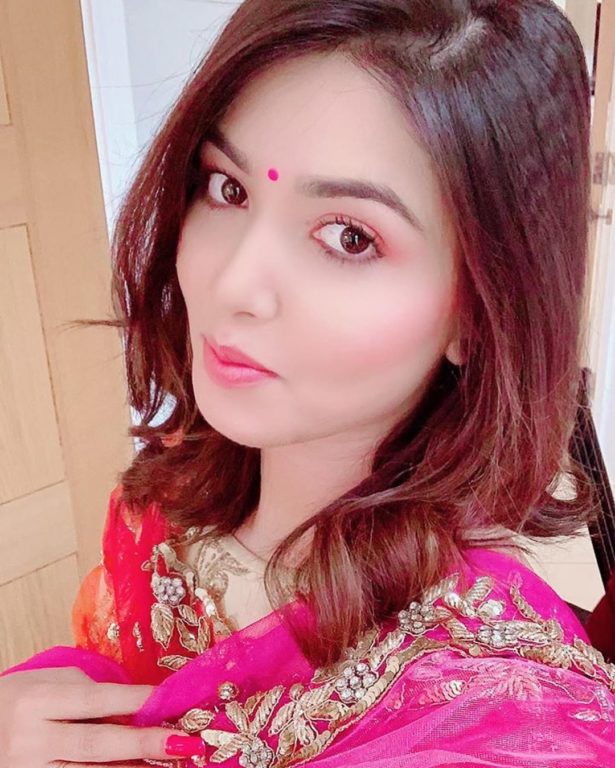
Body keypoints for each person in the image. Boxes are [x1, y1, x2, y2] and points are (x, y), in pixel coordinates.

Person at [2, 0, 615, 765]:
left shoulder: (491, 716)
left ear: (478, 309)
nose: (233, 283)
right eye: (227, 188)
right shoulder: (169, 497)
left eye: (349, 237)